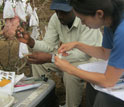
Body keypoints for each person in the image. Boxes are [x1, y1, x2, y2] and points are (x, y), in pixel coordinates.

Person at [16, 0, 102, 107]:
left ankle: (73, 105)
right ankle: (44, 98)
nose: (59, 15)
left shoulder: (87, 19)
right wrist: (31, 42)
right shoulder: (56, 18)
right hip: (67, 56)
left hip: (91, 59)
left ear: (74, 9)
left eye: (64, 12)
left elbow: (83, 54)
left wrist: (51, 58)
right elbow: (49, 44)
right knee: (39, 64)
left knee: (70, 72)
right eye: (57, 11)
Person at [54, 0, 124, 107]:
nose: (82, 23)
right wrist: (77, 44)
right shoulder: (111, 22)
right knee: (92, 85)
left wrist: (70, 69)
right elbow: (105, 53)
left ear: (99, 14)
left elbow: (108, 81)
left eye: (83, 19)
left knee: (104, 99)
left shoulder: (121, 31)